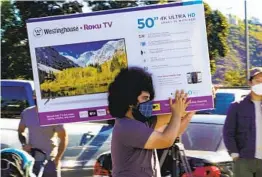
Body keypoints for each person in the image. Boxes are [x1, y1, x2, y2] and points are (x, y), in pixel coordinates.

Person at [108, 67, 195, 177]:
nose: (148, 103)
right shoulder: (127, 127)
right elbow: (166, 140)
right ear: (130, 99)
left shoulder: (141, 123)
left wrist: (188, 113)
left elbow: (174, 132)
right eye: (144, 98)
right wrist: (177, 114)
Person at [18, 92, 68, 177]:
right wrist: (24, 144)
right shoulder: (27, 112)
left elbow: (63, 138)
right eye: (34, 96)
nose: (36, 98)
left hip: (49, 160)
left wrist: (57, 159)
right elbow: (20, 131)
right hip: (32, 159)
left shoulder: (54, 114)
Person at [223, 67, 262, 177]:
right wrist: (234, 154)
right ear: (250, 82)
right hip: (244, 160)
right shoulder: (237, 106)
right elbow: (228, 132)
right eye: (257, 81)